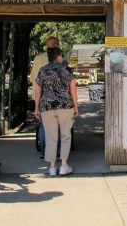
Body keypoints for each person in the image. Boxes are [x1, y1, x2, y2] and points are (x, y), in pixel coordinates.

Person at [34, 47, 78, 176]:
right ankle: (64, 166)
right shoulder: (66, 70)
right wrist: (76, 106)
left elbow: (37, 92)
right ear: (58, 56)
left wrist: (36, 108)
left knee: (51, 137)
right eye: (61, 55)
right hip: (65, 106)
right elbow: (73, 89)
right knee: (65, 136)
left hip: (47, 108)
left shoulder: (42, 71)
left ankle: (52, 168)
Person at [30, 36, 60, 159]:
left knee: (43, 126)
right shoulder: (59, 59)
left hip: (41, 97)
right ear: (56, 45)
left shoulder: (38, 58)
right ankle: (54, 152)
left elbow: (33, 78)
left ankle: (44, 152)